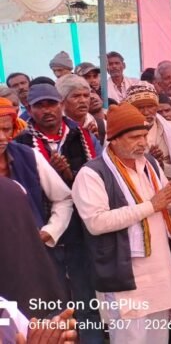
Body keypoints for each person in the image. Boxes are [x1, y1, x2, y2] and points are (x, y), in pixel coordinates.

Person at [72, 103, 171, 343]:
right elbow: (96, 223)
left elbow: (163, 202)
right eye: (134, 137)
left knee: (158, 337)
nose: (143, 142)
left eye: (144, 135)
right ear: (113, 139)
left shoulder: (149, 163)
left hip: (159, 268)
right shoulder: (91, 173)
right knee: (130, 337)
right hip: (124, 274)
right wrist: (151, 205)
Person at [14, 84, 103, 343]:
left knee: (85, 294)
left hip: (81, 229)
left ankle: (91, 339)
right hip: (42, 232)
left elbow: (99, 177)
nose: (47, 110)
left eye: (51, 104)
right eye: (39, 106)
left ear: (61, 105)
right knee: (50, 297)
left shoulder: (83, 136)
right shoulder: (21, 144)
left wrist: (69, 174)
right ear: (29, 109)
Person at [125, 83, 171, 321]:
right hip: (143, 205)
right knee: (157, 260)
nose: (147, 112)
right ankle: (163, 311)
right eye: (141, 107)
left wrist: (161, 165)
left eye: (150, 106)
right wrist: (148, 161)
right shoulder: (123, 134)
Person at [0, 97, 73, 254]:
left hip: (31, 252)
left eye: (6, 130)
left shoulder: (29, 156)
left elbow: (64, 198)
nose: (2, 137)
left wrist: (49, 231)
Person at [0, 177, 69, 322]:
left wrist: (50, 231)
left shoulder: (14, 186)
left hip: (13, 300)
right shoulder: (14, 187)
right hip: (31, 294)